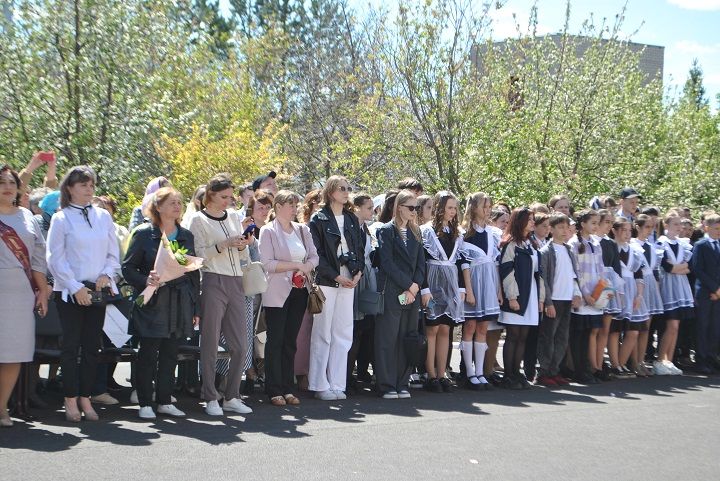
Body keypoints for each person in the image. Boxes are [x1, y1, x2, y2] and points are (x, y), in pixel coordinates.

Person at [46, 166, 120, 422]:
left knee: (92, 347)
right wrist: (76, 287)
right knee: (71, 346)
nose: (89, 189)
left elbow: (113, 253)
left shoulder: (103, 216)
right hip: (70, 292)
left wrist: (106, 274)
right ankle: (69, 398)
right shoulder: (61, 218)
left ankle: (86, 397)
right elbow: (55, 258)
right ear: (69, 188)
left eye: (91, 185)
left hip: (97, 290)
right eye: (83, 185)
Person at [122, 187, 200, 419]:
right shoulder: (145, 233)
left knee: (170, 353)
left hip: (179, 301)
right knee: (148, 353)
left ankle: (165, 400)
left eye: (179, 202)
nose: (177, 206)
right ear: (158, 207)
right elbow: (127, 268)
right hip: (153, 302)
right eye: (172, 202)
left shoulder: (185, 235)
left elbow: (192, 272)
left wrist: (196, 306)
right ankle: (146, 401)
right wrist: (146, 278)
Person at [188, 173, 254, 416]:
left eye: (230, 196)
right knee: (210, 342)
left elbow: (241, 254)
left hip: (236, 281)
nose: (229, 200)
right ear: (211, 195)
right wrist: (224, 244)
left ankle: (232, 396)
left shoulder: (235, 216)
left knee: (240, 345)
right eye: (224, 196)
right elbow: (198, 256)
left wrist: (243, 244)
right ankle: (210, 396)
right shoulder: (197, 220)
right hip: (213, 280)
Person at [0, 165, 49, 427]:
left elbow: (38, 258)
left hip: (20, 291)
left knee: (13, 352)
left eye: (12, 182)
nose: (7, 187)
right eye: (1, 182)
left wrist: (42, 290)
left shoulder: (28, 218)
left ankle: (2, 408)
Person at [258, 191, 318, 406]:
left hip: (299, 290)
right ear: (279, 206)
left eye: (296, 204)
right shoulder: (268, 231)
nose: (295, 208)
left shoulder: (302, 230)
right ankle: (274, 389)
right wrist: (295, 266)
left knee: (290, 341)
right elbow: (267, 263)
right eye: (290, 204)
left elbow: (314, 256)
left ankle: (288, 387)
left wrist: (305, 269)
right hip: (277, 292)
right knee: (276, 340)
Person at [308, 176, 365, 400]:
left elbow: (359, 249)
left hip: (349, 279)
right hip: (327, 281)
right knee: (323, 333)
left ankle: (337, 383)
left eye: (348, 188)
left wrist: (358, 272)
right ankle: (319, 384)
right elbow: (317, 255)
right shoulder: (319, 219)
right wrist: (335, 276)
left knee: (343, 333)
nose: (346, 192)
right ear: (331, 192)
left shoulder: (351, 219)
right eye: (342, 188)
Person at [374, 190, 426, 399]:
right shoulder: (386, 231)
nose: (414, 212)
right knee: (388, 339)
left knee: (408, 338)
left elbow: (421, 263)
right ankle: (386, 384)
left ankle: (402, 382)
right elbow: (387, 263)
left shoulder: (416, 232)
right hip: (393, 292)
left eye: (417, 208)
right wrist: (408, 285)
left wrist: (415, 286)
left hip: (411, 293)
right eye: (411, 207)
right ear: (399, 207)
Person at [420, 191, 466, 393]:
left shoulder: (457, 232)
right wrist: (425, 288)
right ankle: (430, 373)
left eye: (455, 208)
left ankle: (442, 372)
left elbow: (461, 261)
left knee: (446, 329)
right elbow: (420, 262)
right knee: (432, 328)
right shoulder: (426, 231)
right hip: (432, 281)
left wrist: (462, 287)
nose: (453, 211)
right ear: (440, 208)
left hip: (450, 283)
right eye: (449, 207)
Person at [498, 207, 544, 389]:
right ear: (520, 221)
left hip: (530, 296)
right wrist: (512, 297)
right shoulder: (511, 244)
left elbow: (538, 274)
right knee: (513, 335)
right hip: (517, 296)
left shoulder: (531, 244)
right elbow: (507, 271)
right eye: (530, 219)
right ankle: (508, 375)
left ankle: (517, 373)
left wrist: (540, 298)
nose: (533, 222)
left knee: (523, 336)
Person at [459, 192, 501, 390]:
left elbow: (496, 264)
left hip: (490, 283)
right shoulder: (464, 233)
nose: (487, 210)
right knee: (470, 327)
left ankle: (480, 372)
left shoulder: (493, 233)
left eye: (489, 206)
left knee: (483, 327)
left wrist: (499, 290)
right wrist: (469, 290)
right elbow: (464, 264)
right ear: (473, 207)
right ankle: (469, 372)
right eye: (484, 206)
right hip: (473, 283)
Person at [536, 213, 581, 386]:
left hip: (566, 300)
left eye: (566, 227)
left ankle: (555, 370)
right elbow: (544, 279)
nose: (565, 231)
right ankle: (544, 372)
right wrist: (548, 302)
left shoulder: (569, 250)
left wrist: (576, 293)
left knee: (562, 338)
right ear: (551, 229)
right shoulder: (546, 251)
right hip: (554, 300)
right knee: (548, 337)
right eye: (560, 227)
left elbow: (573, 275)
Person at [567, 209, 606, 384]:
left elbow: (601, 269)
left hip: (596, 294)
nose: (596, 226)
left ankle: (588, 368)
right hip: (583, 295)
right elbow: (577, 272)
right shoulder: (574, 244)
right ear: (582, 224)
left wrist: (604, 290)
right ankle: (579, 370)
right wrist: (585, 294)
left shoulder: (596, 244)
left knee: (589, 332)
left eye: (598, 223)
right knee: (579, 334)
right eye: (593, 223)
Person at [608, 217, 648, 378]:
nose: (627, 233)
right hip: (617, 289)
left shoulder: (634, 250)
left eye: (629, 230)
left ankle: (623, 363)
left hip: (632, 291)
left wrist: (639, 295)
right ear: (615, 231)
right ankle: (615, 365)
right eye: (623, 230)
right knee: (615, 330)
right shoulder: (611, 248)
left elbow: (639, 274)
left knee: (634, 331)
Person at [655, 214, 693, 375]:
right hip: (669, 287)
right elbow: (667, 267)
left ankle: (668, 360)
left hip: (681, 287)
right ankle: (660, 360)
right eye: (675, 224)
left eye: (680, 224)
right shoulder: (661, 243)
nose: (679, 227)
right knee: (671, 325)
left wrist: (678, 267)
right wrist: (679, 268)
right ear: (666, 224)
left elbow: (689, 267)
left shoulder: (683, 244)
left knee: (676, 326)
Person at [348, 193, 377, 391]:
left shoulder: (365, 229)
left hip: (366, 277)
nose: (372, 211)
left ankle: (357, 372)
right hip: (355, 277)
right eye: (368, 207)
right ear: (357, 207)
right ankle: (347, 374)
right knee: (353, 328)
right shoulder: (351, 227)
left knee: (365, 326)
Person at [630, 214, 664, 377]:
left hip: (651, 285)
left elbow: (655, 269)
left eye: (652, 227)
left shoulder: (652, 246)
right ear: (638, 227)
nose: (650, 230)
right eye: (647, 227)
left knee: (646, 327)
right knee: (637, 325)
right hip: (639, 284)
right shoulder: (633, 244)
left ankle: (640, 361)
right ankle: (634, 361)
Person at [690, 213, 720, 374]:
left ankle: (712, 357)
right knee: (703, 326)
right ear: (707, 227)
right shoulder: (701, 245)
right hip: (705, 292)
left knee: (716, 327)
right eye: (715, 228)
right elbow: (698, 269)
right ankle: (701, 360)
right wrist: (715, 288)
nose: (718, 231)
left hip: (718, 293)